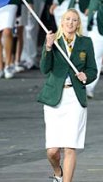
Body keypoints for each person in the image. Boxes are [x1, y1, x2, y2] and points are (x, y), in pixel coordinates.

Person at [37, 9, 98, 182]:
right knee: (52, 151)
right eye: (67, 19)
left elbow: (93, 69)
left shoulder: (85, 42)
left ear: (78, 24)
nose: (70, 23)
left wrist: (87, 76)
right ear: (61, 22)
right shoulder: (53, 41)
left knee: (70, 148)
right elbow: (44, 68)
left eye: (74, 20)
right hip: (54, 98)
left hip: (75, 98)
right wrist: (48, 47)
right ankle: (58, 172)